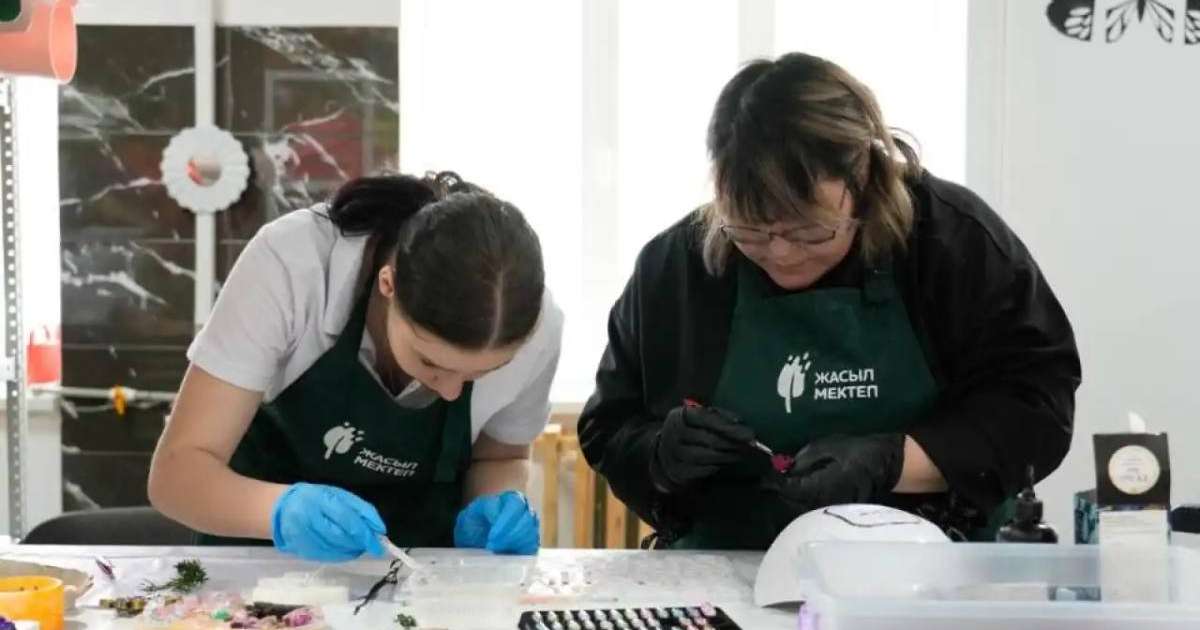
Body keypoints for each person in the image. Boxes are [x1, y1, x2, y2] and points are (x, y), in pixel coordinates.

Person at [578, 53, 1081, 549]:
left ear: (863, 180)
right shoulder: (674, 268)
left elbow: (1039, 405)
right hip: (729, 567)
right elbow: (609, 426)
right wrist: (659, 454)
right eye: (750, 231)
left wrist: (895, 461)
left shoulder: (954, 243)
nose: (779, 254)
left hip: (938, 569)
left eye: (809, 231)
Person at [149, 172, 563, 561]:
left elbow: (498, 457)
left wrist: (495, 505)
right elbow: (177, 475)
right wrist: (279, 510)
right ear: (388, 285)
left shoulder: (531, 325)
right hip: (260, 572)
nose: (452, 392)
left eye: (479, 375)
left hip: (424, 589)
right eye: (430, 361)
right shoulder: (294, 265)